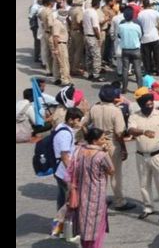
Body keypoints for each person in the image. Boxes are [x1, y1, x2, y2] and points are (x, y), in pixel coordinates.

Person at [84, 85, 136, 212]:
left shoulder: (94, 108)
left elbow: (83, 124)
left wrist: (90, 138)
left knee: (98, 175)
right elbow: (119, 133)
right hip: (112, 144)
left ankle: (100, 199)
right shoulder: (115, 111)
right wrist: (123, 148)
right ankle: (119, 201)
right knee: (115, 174)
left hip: (97, 143)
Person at [127, 93, 159, 222]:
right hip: (141, 155)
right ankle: (148, 207)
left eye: (151, 104)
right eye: (147, 105)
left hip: (158, 154)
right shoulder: (134, 116)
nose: (150, 106)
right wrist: (143, 132)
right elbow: (131, 130)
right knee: (144, 183)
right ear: (141, 105)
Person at [68, 127, 115, 247]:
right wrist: (108, 152)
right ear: (95, 141)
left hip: (82, 192)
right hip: (97, 194)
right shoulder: (101, 155)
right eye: (102, 138)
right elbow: (111, 170)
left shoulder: (79, 151)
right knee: (96, 223)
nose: (104, 140)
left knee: (84, 221)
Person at [49, 107, 84, 238]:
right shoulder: (65, 133)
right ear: (70, 119)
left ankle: (60, 229)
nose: (78, 123)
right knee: (69, 201)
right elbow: (65, 156)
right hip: (64, 172)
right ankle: (61, 229)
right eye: (77, 120)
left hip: (60, 171)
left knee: (63, 199)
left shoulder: (62, 128)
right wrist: (73, 172)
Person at [117, 7, 144, 93]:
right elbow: (140, 36)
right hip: (135, 49)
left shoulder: (121, 26)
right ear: (132, 16)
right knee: (137, 69)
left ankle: (124, 89)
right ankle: (140, 88)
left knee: (125, 69)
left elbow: (119, 36)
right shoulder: (136, 26)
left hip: (125, 49)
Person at [84, 0, 104, 82]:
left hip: (86, 35)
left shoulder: (86, 11)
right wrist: (99, 37)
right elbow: (95, 27)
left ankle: (90, 73)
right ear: (97, 4)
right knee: (96, 56)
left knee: (89, 56)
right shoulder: (94, 13)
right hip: (92, 36)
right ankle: (96, 75)